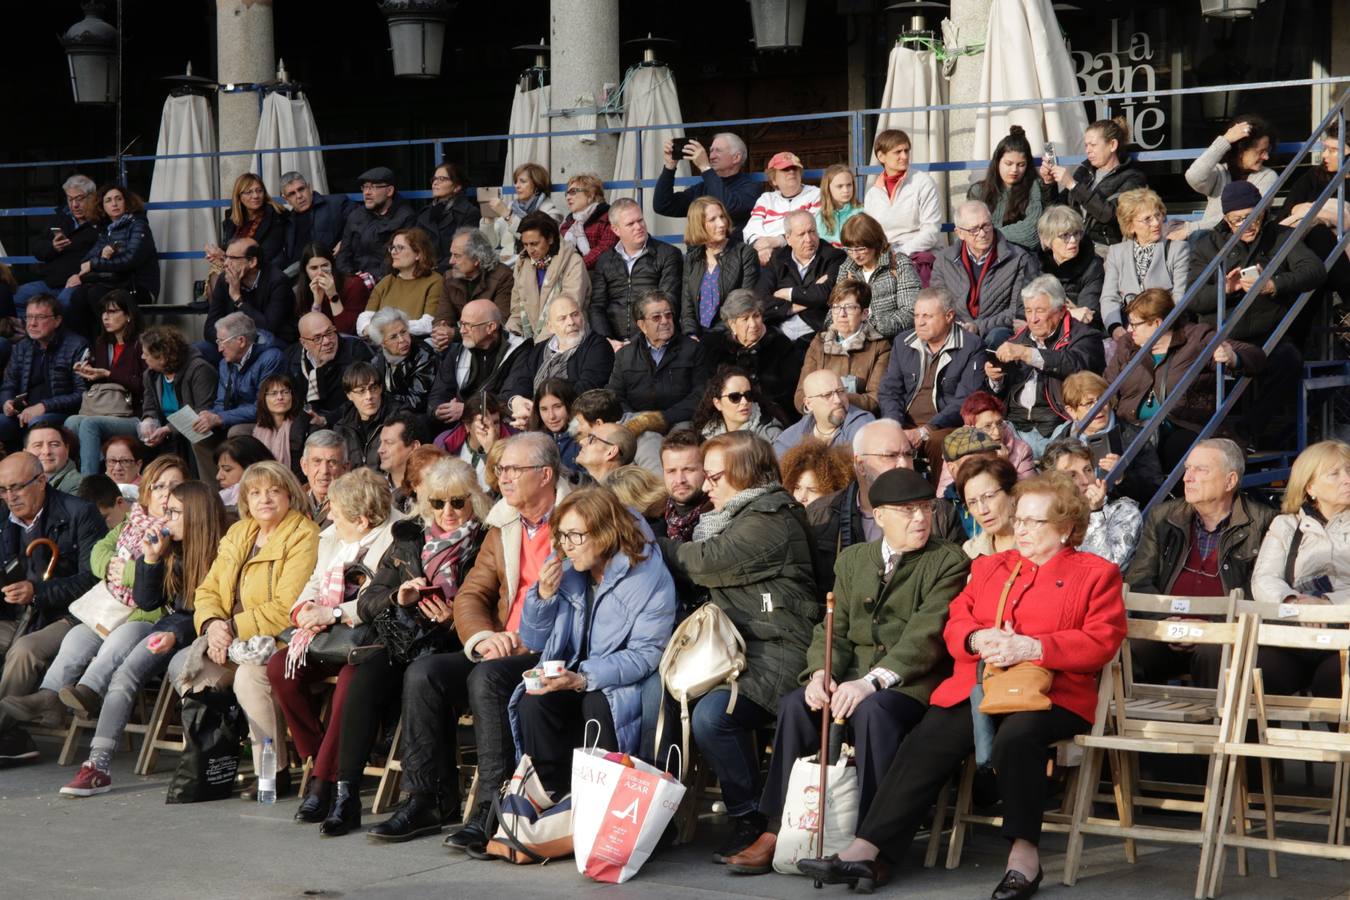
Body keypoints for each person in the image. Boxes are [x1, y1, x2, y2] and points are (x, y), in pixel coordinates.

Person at [799, 473, 1126, 898]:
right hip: (980, 685)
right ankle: (867, 848)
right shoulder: (992, 567)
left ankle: (1024, 857)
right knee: (928, 737)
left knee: (1017, 737)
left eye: (1034, 522)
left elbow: (1101, 641)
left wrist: (1033, 647)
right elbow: (956, 622)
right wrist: (975, 639)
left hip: (1052, 693)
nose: (1021, 529)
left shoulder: (1096, 574)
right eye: (1019, 520)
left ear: (1065, 528)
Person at [725, 468, 971, 874]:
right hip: (851, 678)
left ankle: (875, 843)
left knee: (875, 711)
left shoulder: (948, 560)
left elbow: (926, 635)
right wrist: (820, 674)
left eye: (926, 508)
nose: (921, 518)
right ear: (880, 515)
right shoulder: (854, 560)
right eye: (908, 510)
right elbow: (833, 629)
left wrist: (870, 683)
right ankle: (777, 830)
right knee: (796, 705)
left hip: (909, 683)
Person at [372, 433, 569, 847]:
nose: (502, 477)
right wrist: (481, 637)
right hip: (502, 644)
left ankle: (492, 808)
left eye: (513, 469)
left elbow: (584, 602)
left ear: (545, 475)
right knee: (425, 673)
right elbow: (472, 594)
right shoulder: (504, 525)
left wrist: (520, 639)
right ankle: (427, 799)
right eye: (501, 469)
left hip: (554, 649)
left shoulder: (576, 519)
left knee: (487, 678)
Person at [656, 431, 820, 861]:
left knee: (713, 717)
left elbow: (705, 562)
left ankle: (749, 816)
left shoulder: (771, 519)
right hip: (737, 646)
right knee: (666, 694)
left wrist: (649, 542)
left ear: (744, 474)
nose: (706, 486)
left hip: (778, 647)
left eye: (715, 477)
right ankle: (659, 814)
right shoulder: (734, 515)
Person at [270, 467, 438, 834]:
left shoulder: (398, 538)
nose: (328, 516)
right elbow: (315, 581)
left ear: (362, 520)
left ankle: (324, 784)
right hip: (330, 634)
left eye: (336, 511)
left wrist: (332, 613)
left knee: (350, 682)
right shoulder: (334, 535)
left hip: (374, 639)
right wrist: (303, 610)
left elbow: (380, 599)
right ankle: (321, 759)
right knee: (281, 667)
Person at [55, 481, 229, 796]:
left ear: (196, 515)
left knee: (156, 670)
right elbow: (148, 602)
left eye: (173, 512)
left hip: (203, 630)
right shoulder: (172, 548)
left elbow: (206, 609)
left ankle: (202, 761)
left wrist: (174, 634)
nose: (165, 518)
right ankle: (97, 764)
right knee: (125, 673)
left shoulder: (221, 551)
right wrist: (150, 559)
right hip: (169, 627)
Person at [508, 487, 677, 797]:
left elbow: (646, 654)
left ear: (605, 533)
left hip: (621, 683)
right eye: (562, 535)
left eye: (575, 535)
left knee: (596, 702)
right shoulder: (567, 569)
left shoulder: (648, 576)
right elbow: (533, 641)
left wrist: (583, 678)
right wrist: (543, 595)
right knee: (533, 702)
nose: (566, 545)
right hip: (570, 674)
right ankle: (549, 798)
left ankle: (599, 803)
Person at [0, 456, 184, 733]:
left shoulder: (183, 531)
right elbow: (100, 553)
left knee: (111, 640)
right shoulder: (133, 523)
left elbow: (166, 580)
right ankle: (49, 696)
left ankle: (88, 692)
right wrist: (111, 565)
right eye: (158, 486)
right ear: (147, 491)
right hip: (103, 609)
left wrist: (127, 571)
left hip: (142, 616)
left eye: (175, 486)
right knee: (77, 637)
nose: (166, 493)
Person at [189, 461, 320, 798]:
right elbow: (207, 590)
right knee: (190, 673)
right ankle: (214, 766)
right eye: (256, 492)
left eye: (274, 491)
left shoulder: (303, 534)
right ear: (245, 499)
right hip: (229, 638)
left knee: (249, 678)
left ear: (289, 495)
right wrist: (212, 625)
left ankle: (272, 771)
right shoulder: (239, 532)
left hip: (277, 642)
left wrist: (230, 627)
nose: (265, 499)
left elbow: (287, 606)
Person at [1124, 438, 1276, 686]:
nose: (1187, 478)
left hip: (1224, 634)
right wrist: (1166, 621)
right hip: (1168, 631)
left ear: (1230, 481)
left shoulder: (1263, 523)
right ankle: (1130, 714)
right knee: (1127, 652)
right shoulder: (1163, 517)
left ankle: (1220, 713)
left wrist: (1211, 627)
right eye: (1187, 469)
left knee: (1214, 655)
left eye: (1200, 470)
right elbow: (1139, 579)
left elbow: (1260, 591)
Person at [1189, 180, 1326, 441]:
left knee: (1289, 360)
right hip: (1223, 333)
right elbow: (1193, 299)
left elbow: (1315, 270)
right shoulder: (1208, 246)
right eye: (1237, 220)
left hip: (1268, 333)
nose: (1247, 224)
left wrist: (1274, 284)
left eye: (1253, 216)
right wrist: (1226, 289)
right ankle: (1199, 436)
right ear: (1226, 219)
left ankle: (1246, 433)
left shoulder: (1280, 236)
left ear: (1263, 212)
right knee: (1192, 365)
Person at [0, 451, 107, 765]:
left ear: (41, 481)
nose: (10, 497)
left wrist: (38, 592)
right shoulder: (2, 516)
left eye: (17, 487)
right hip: (14, 613)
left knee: (25, 651)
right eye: (3, 490)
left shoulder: (80, 512)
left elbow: (93, 579)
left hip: (67, 614)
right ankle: (11, 737)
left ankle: (3, 728)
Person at [1105, 288, 1264, 472]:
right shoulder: (1128, 344)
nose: (1129, 330)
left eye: (1135, 324)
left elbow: (1256, 355)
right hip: (1131, 427)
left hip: (1182, 426)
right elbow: (1107, 384)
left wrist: (1233, 357)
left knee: (1180, 448)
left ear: (1157, 323)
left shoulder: (1196, 338)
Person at [1247, 440, 1350, 698]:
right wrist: (1293, 601)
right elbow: (1264, 578)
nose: (1347, 479)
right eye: (1335, 473)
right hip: (1296, 629)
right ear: (1310, 487)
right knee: (1260, 673)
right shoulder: (1286, 525)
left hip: (1346, 632)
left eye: (1349, 471)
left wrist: (1328, 603)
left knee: (1335, 679)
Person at [808, 419, 962, 575]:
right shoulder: (820, 515)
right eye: (891, 456)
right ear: (861, 465)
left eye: (908, 454)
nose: (904, 464)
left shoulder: (940, 514)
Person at [985, 275, 1106, 458]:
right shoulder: (1018, 339)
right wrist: (996, 380)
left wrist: (1029, 354)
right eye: (1028, 311)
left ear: (1061, 310)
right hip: (1013, 426)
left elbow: (1075, 364)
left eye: (1040, 311)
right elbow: (1001, 394)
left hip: (1059, 427)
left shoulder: (1086, 336)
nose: (1033, 319)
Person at [879, 287, 987, 476]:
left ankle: (941, 493)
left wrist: (926, 430)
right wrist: (895, 426)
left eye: (927, 316)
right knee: (874, 439)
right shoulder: (902, 342)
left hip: (944, 426)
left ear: (949, 316)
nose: (919, 322)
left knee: (940, 443)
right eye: (916, 315)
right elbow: (889, 391)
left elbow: (965, 400)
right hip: (904, 423)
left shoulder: (971, 346)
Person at [931, 200, 1041, 347]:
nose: (982, 234)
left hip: (999, 332)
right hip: (956, 330)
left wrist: (978, 327)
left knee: (996, 337)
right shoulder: (944, 260)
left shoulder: (1019, 259)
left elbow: (1019, 310)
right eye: (974, 230)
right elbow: (938, 304)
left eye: (986, 225)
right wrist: (958, 326)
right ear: (960, 233)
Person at [1051, 371, 1164, 507]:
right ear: (1071, 411)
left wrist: (1122, 477)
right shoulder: (1059, 444)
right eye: (1089, 403)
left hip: (1122, 513)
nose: (1099, 408)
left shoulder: (1136, 438)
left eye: (1103, 400)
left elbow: (1154, 489)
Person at [63, 291, 146, 474]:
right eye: (104, 312)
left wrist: (109, 373)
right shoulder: (102, 344)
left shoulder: (141, 344)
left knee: (89, 424)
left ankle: (89, 482)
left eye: (112, 312)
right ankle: (71, 477)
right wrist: (87, 373)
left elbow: (144, 385)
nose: (106, 317)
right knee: (72, 421)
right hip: (104, 409)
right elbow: (100, 385)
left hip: (133, 414)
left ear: (129, 315)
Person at [63, 183, 160, 338]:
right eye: (108, 200)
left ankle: (113, 341)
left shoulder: (139, 225)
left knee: (96, 294)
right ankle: (91, 345)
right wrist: (101, 255)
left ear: (126, 202)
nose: (114, 204)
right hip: (114, 283)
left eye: (118, 199)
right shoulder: (108, 230)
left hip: (138, 287)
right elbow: (86, 260)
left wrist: (96, 263)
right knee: (78, 296)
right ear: (102, 207)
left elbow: (131, 260)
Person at [500, 295, 615, 424]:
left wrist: (540, 413)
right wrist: (517, 401)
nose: (571, 322)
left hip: (576, 420)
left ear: (583, 317)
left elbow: (586, 389)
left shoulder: (597, 346)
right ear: (550, 327)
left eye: (575, 314)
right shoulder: (539, 349)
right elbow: (522, 381)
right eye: (562, 318)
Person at [196, 313, 285, 477]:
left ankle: (244, 485)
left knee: (236, 434)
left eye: (222, 342)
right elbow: (221, 402)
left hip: (266, 419)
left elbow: (264, 407)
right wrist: (209, 416)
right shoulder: (225, 363)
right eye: (217, 342)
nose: (219, 349)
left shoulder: (271, 358)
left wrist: (220, 418)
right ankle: (216, 488)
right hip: (234, 417)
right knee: (199, 433)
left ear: (241, 341)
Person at [1043, 117, 1148, 252]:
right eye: (1086, 145)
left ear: (1112, 145)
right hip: (1074, 244)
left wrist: (1073, 185)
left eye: (1093, 145)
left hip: (1106, 249)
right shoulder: (1084, 171)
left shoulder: (1132, 178)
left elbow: (1111, 215)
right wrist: (1049, 183)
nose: (1088, 150)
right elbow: (1055, 210)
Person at [0, 293, 90, 450]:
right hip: (23, 414)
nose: (32, 324)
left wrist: (44, 406)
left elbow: (82, 393)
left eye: (40, 317)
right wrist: (7, 402)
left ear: (57, 320)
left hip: (60, 413)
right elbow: (9, 384)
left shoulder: (77, 345)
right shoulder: (22, 346)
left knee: (38, 424)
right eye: (29, 317)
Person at [606, 290, 708, 426]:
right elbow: (615, 396)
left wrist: (663, 418)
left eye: (668, 315)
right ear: (642, 325)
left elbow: (700, 394)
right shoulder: (625, 355)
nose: (665, 321)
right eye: (656, 317)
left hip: (681, 421)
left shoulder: (693, 349)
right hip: (637, 422)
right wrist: (637, 420)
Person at [1099, 188, 1190, 338]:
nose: (1156, 223)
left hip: (1164, 329)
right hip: (1128, 331)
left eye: (1158, 215)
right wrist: (1116, 328)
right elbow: (1109, 297)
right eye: (1147, 219)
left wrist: (1153, 327)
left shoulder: (1177, 249)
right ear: (1130, 226)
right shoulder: (1116, 252)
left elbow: (1179, 296)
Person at [426, 300, 530, 431]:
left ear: (490, 327)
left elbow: (510, 398)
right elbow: (439, 391)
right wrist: (438, 410)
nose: (461, 331)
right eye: (461, 324)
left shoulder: (519, 351)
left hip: (499, 425)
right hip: (459, 424)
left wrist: (468, 409)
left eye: (467, 325)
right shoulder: (457, 350)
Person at [589, 199, 682, 342]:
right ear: (616, 230)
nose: (638, 227)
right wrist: (607, 341)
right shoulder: (605, 260)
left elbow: (668, 303)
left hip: (654, 340)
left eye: (640, 220)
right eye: (630, 224)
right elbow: (597, 307)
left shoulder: (668, 254)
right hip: (613, 343)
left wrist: (635, 345)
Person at [1276, 120, 1350, 301]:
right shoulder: (1313, 177)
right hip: (1308, 258)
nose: (1324, 155)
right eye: (1325, 148)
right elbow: (1285, 214)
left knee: (1320, 233)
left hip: (1340, 257)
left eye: (1333, 150)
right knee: (1316, 234)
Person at [794, 281, 892, 415]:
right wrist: (818, 407)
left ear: (864, 313)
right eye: (836, 307)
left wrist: (833, 399)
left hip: (858, 419)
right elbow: (801, 395)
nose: (841, 314)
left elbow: (875, 399)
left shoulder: (880, 346)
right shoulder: (818, 343)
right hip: (819, 417)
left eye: (850, 307)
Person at [1042, 439, 1142, 568]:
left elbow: (1106, 567)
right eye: (1072, 475)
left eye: (1088, 470)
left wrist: (1095, 512)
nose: (1085, 480)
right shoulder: (1044, 514)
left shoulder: (1124, 511)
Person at [704, 289, 800, 423]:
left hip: (771, 417)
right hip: (729, 417)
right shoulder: (718, 349)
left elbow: (786, 393)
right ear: (732, 324)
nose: (753, 324)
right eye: (745, 319)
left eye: (756, 316)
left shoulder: (780, 345)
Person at [135, 325, 219, 477]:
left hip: (194, 428)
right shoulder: (151, 375)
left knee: (194, 437)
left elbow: (203, 410)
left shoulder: (199, 369)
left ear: (162, 357)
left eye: (146, 354)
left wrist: (168, 429)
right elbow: (149, 405)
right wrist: (148, 420)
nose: (142, 357)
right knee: (140, 442)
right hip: (165, 430)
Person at [14, 175, 100, 318]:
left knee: (61, 307)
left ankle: (52, 331)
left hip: (76, 282)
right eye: (70, 199)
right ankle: (31, 330)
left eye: (80, 199)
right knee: (14, 299)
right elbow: (37, 249)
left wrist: (83, 277)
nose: (74, 205)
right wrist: (52, 247)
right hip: (49, 282)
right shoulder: (60, 218)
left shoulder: (101, 223)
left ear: (93, 197)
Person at [862, 129, 942, 280]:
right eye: (898, 152)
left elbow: (931, 231)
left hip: (919, 257)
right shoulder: (872, 194)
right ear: (881, 156)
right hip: (884, 258)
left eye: (906, 151)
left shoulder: (923, 183)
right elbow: (870, 234)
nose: (904, 156)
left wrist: (899, 253)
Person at [756, 210, 847, 338]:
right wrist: (805, 299)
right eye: (801, 234)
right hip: (778, 331)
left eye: (812, 231)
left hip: (815, 333)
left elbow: (827, 294)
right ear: (788, 238)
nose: (809, 239)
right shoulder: (777, 259)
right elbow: (759, 302)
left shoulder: (834, 256)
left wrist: (787, 293)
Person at [680, 196, 761, 338]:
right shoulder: (692, 259)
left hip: (730, 335)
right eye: (713, 219)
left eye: (722, 217)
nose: (722, 223)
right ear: (699, 225)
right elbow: (687, 308)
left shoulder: (744, 253)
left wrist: (711, 337)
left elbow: (744, 304)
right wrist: (691, 334)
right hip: (698, 337)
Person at [655, 131, 759, 238]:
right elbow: (663, 205)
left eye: (718, 151)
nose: (711, 156)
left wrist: (705, 167)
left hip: (733, 247)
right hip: (701, 248)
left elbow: (728, 208)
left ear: (736, 157)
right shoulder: (702, 187)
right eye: (711, 151)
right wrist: (670, 167)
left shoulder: (750, 187)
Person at [1185, 114, 1277, 235]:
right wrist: (1225, 140)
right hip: (1213, 239)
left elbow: (1246, 218)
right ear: (1241, 150)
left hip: (1247, 238)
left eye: (1268, 150)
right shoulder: (1219, 173)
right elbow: (1194, 176)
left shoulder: (1268, 176)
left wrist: (1191, 228)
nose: (1266, 157)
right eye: (1261, 152)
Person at [834, 213, 922, 339]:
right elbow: (833, 312)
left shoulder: (898, 264)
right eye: (849, 249)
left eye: (861, 249)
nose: (855, 255)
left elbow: (910, 313)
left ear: (875, 243)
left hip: (891, 342)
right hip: (852, 340)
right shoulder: (847, 268)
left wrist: (867, 327)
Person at [506, 212, 590, 343]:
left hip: (568, 338)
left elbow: (567, 312)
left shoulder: (573, 263)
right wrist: (509, 335)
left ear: (550, 238)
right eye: (525, 244)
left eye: (534, 243)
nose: (530, 250)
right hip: (531, 340)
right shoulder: (522, 264)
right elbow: (517, 311)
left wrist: (537, 346)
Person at [204, 237, 297, 349]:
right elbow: (209, 328)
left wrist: (237, 299)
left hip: (271, 342)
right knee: (200, 348)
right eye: (226, 257)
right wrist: (232, 341)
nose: (226, 264)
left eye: (232, 258)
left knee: (268, 350)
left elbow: (268, 328)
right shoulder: (225, 279)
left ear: (252, 262)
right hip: (235, 342)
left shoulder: (278, 282)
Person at [286, 311, 374, 429]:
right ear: (304, 343)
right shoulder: (293, 359)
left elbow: (364, 398)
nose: (327, 341)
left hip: (350, 423)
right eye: (317, 338)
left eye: (329, 333)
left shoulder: (355, 352)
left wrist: (327, 419)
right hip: (311, 423)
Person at [969, 126, 1048, 253]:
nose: (1014, 170)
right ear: (997, 162)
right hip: (983, 256)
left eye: (1021, 165)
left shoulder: (1034, 187)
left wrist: (990, 235)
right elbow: (970, 230)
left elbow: (1034, 230)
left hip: (1021, 256)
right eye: (1008, 163)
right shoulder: (978, 191)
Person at [357, 228, 444, 339]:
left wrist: (386, 329)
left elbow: (428, 324)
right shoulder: (386, 281)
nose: (393, 252)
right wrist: (382, 330)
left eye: (400, 248)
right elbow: (364, 319)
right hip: (381, 344)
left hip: (414, 344)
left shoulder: (435, 281)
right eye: (392, 248)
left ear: (418, 254)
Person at [337, 166, 420, 282]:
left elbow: (401, 258)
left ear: (389, 191)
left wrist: (373, 280)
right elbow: (343, 254)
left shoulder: (406, 217)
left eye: (373, 187)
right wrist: (352, 276)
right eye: (365, 187)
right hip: (355, 280)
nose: (367, 192)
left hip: (388, 282)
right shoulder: (355, 216)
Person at [744, 152, 824, 266]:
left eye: (795, 168)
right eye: (785, 169)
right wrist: (761, 247)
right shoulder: (766, 199)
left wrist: (777, 241)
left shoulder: (816, 195)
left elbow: (813, 230)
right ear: (774, 179)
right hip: (764, 255)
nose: (791, 171)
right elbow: (750, 231)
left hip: (804, 256)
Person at [776, 369, 874, 456]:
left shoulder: (861, 424)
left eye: (840, 391)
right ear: (809, 404)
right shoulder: (797, 433)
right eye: (827, 395)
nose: (838, 400)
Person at [573, 388, 665, 478]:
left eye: (580, 423)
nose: (578, 429)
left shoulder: (647, 441)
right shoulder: (597, 447)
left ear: (599, 424)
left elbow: (659, 481)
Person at [1036, 205, 1104, 322]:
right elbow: (1023, 310)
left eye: (1076, 233)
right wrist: (1069, 313)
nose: (1073, 240)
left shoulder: (1092, 266)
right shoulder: (1036, 264)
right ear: (1047, 240)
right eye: (1065, 235)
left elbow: (1088, 316)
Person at [440, 227, 515, 333]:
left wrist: (455, 333)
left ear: (476, 259)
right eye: (451, 254)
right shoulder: (449, 278)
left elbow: (498, 323)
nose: (451, 261)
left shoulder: (503, 277)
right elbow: (443, 316)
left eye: (457, 256)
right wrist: (440, 331)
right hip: (458, 339)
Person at [334, 361, 406, 471]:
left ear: (381, 388)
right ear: (349, 395)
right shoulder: (341, 429)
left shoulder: (398, 420)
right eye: (361, 391)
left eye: (373, 388)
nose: (369, 396)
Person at [209, 172, 288, 271]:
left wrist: (224, 258)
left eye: (259, 191)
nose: (255, 196)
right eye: (249, 192)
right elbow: (229, 250)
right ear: (239, 196)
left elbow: (267, 255)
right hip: (236, 270)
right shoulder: (232, 219)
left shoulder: (275, 216)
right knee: (215, 270)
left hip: (262, 272)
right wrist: (219, 255)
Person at [280, 171, 356, 271]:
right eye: (292, 194)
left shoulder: (337, 204)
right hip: (299, 273)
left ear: (309, 187)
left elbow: (362, 222)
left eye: (301, 189)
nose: (299, 196)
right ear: (286, 199)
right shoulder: (287, 222)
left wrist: (345, 242)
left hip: (331, 269)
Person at [366, 307, 438, 413]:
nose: (402, 340)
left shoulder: (424, 354)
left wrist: (381, 401)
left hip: (415, 415)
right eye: (393, 337)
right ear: (382, 343)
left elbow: (416, 401)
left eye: (403, 332)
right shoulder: (378, 360)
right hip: (387, 412)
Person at [485, 162, 565, 255]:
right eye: (516, 182)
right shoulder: (512, 207)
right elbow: (490, 243)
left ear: (537, 185)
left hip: (535, 262)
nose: (517, 186)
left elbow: (534, 238)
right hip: (507, 260)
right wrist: (488, 220)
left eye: (522, 181)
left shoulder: (550, 212)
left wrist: (507, 215)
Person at [435, 392, 511, 489]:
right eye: (484, 424)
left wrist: (490, 451)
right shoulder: (444, 444)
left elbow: (507, 487)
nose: (492, 429)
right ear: (467, 426)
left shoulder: (513, 448)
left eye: (495, 423)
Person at [293, 243, 367, 337]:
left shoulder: (353, 285)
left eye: (325, 265)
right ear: (305, 271)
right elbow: (312, 331)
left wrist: (332, 295)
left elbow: (346, 331)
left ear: (332, 265)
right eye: (314, 268)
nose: (320, 272)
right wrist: (317, 304)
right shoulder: (304, 289)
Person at [693, 366, 783, 443]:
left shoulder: (770, 436)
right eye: (735, 397)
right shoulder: (706, 436)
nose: (744, 402)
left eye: (748, 395)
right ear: (718, 403)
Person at [416, 162, 478, 269]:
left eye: (442, 179)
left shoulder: (469, 213)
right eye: (434, 179)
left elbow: (466, 251)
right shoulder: (425, 214)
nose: (435, 183)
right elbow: (415, 245)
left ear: (457, 186)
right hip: (424, 270)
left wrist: (437, 268)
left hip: (454, 271)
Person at [956, 455, 1019, 558]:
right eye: (972, 503)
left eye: (989, 496)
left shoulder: (1040, 544)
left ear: (1012, 493)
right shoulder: (970, 552)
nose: (982, 511)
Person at [659, 427, 712, 538]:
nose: (680, 480)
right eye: (671, 471)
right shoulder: (654, 517)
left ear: (706, 469)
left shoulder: (721, 515)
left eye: (689, 470)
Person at [558, 172, 617, 270]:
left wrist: (574, 268)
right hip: (568, 275)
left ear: (590, 195)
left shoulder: (609, 218)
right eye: (566, 194)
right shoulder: (568, 225)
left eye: (573, 192)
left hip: (597, 275)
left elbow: (604, 250)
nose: (568, 197)